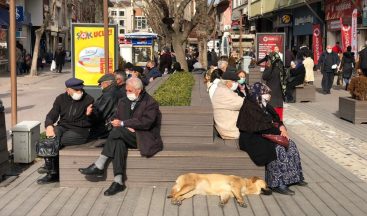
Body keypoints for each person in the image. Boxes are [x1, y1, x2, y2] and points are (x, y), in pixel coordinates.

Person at [79, 77, 163, 196]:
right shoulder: (123, 101)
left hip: (143, 137)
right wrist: (119, 123)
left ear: (138, 90)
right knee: (118, 141)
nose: (127, 93)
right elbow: (116, 117)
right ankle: (118, 182)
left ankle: (99, 164)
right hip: (124, 135)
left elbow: (146, 122)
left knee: (117, 133)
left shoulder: (150, 102)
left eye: (129, 91)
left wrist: (124, 123)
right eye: (126, 90)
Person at [237, 82, 307, 195]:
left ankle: (295, 177)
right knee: (276, 149)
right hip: (253, 138)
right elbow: (260, 126)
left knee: (291, 144)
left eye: (268, 93)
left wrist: (281, 127)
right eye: (265, 93)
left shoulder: (263, 103)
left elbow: (276, 117)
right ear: (258, 93)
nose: (268, 96)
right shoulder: (250, 105)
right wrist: (280, 132)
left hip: (267, 133)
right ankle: (277, 183)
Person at [38, 78, 94, 184]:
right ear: (68, 90)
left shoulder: (88, 99)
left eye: (81, 90)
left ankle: (51, 170)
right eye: (76, 90)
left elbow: (93, 121)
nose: (80, 92)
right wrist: (49, 126)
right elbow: (52, 114)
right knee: (53, 134)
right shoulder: (61, 98)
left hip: (80, 130)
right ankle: (51, 169)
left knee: (56, 141)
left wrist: (89, 114)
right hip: (63, 126)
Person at [211, 72, 244, 139]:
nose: (236, 83)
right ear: (227, 82)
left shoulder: (223, 89)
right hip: (230, 131)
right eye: (234, 81)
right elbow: (242, 103)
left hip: (228, 126)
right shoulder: (224, 92)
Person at [89, 74, 120, 139]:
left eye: (101, 84)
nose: (101, 86)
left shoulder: (109, 95)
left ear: (107, 83)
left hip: (106, 128)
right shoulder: (116, 91)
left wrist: (89, 115)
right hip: (110, 125)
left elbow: (101, 113)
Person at [262, 52, 286, 120]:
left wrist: (268, 67)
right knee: (279, 118)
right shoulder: (281, 68)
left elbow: (264, 77)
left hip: (271, 97)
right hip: (279, 98)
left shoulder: (270, 69)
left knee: (271, 117)